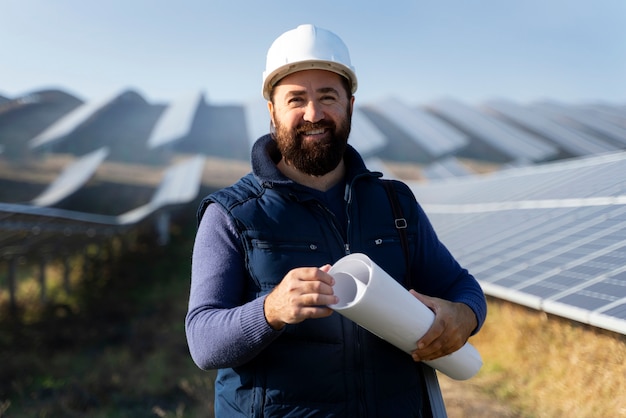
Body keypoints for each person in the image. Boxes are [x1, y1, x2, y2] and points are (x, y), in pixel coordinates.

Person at [185, 23, 487, 417]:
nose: (314, 113)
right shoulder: (231, 214)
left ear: (350, 105)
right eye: (296, 99)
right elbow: (203, 341)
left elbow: (461, 285)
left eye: (328, 96)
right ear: (272, 110)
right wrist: (270, 310)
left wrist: (464, 316)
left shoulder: (394, 204)